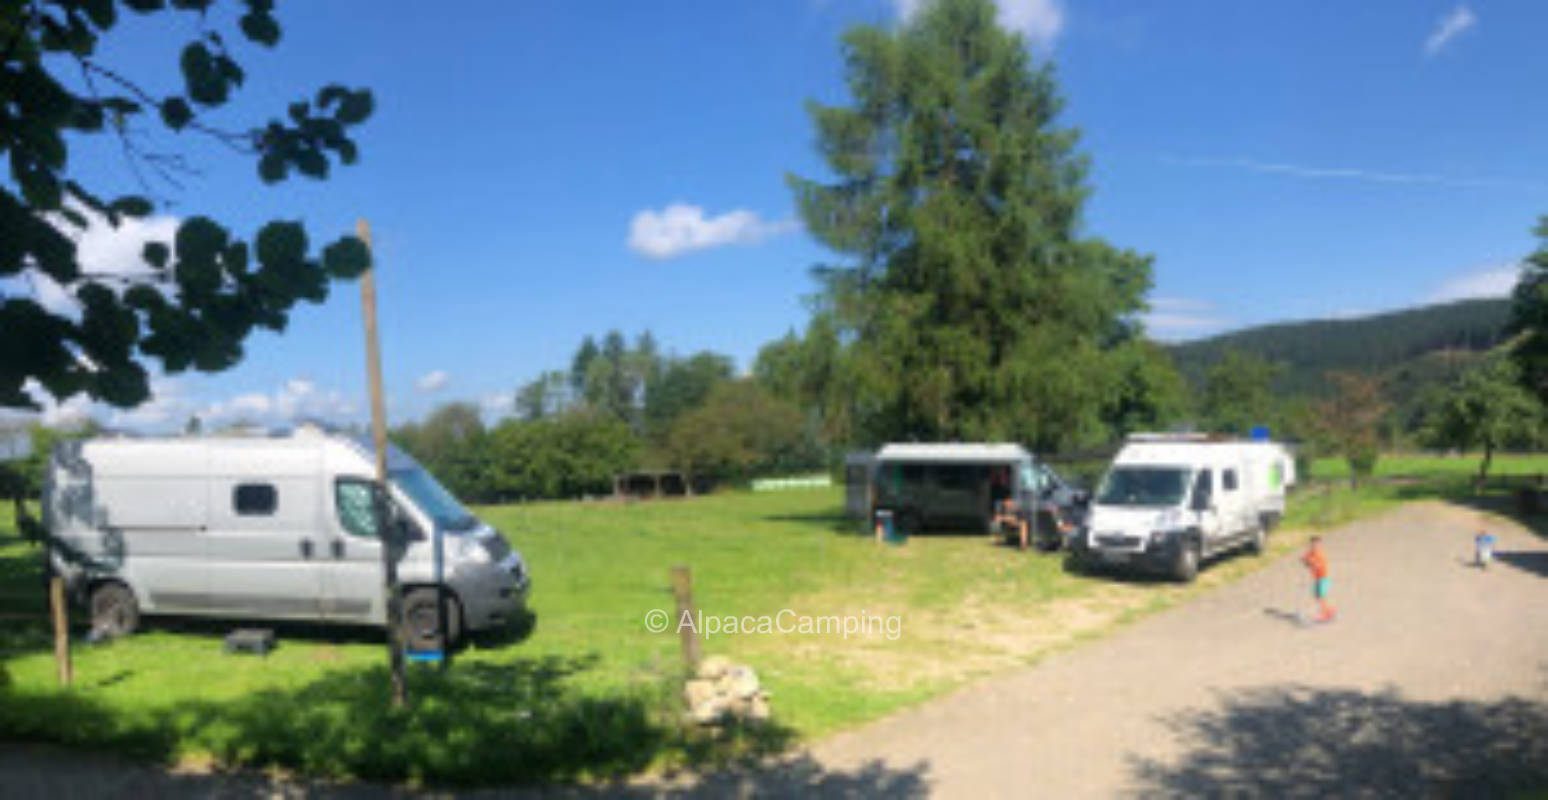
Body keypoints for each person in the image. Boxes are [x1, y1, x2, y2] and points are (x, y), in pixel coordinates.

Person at [1301, 536, 1335, 622]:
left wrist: (1311, 563)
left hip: (1323, 578)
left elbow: (1318, 566)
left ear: (1319, 545)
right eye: (1312, 544)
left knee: (1321, 596)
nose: (1314, 546)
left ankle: (1324, 613)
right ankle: (1328, 610)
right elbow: (1305, 559)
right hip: (1316, 578)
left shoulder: (1320, 555)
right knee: (1317, 596)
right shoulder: (1310, 553)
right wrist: (1305, 561)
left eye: (1316, 544)